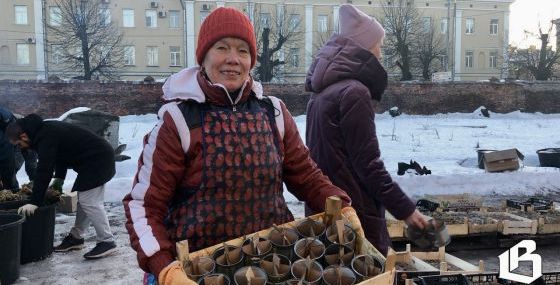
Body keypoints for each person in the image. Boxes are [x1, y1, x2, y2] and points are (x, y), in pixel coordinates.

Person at [122, 7, 356, 285]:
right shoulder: (180, 120)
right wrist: (164, 266)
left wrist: (341, 207)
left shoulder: (274, 113)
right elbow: (143, 205)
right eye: (222, 47)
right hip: (198, 271)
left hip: (271, 264)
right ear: (204, 56)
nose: (233, 59)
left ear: (251, 60)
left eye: (243, 51)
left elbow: (306, 176)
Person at [305, 4, 429, 256]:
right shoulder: (354, 93)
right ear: (363, 47)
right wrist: (407, 211)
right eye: (378, 45)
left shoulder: (320, 94)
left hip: (326, 210)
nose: (381, 54)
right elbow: (369, 166)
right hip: (354, 216)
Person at [6, 114, 117, 259]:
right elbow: (60, 155)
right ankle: (76, 237)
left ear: (24, 136)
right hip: (93, 161)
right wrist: (59, 179)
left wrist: (34, 202)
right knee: (85, 201)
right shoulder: (44, 130)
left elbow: (44, 169)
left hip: (99, 160)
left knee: (90, 202)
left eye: (19, 144)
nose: (21, 148)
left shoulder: (45, 136)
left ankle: (107, 241)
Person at [0, 107, 37, 190]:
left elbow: (5, 156)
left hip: (23, 136)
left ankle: (38, 188)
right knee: (11, 169)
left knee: (14, 167)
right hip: (14, 136)